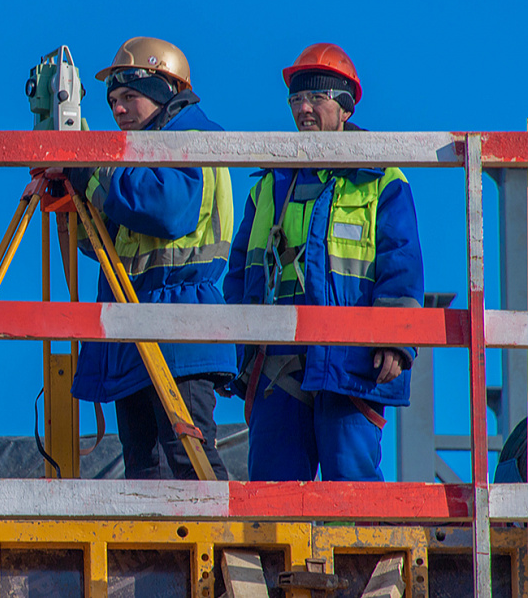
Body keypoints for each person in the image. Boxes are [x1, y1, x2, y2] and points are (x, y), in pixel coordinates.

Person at [224, 43, 423, 481]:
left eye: (316, 97)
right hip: (278, 359)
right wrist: (245, 351)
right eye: (296, 98)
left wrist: (395, 338)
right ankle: (276, 555)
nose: (304, 108)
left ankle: (361, 554)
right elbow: (239, 274)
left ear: (346, 107)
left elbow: (401, 264)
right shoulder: (270, 185)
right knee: (272, 492)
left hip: (351, 357)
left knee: (349, 480)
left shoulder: (381, 180)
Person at [62, 37, 235, 480]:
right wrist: (79, 194)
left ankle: (230, 545)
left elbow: (165, 209)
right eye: (112, 101)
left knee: (187, 456)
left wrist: (95, 173)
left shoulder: (193, 141)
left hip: (180, 320)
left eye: (129, 98)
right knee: (144, 468)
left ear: (164, 91)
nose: (118, 111)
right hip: (134, 322)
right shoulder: (141, 154)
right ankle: (159, 554)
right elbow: (106, 239)